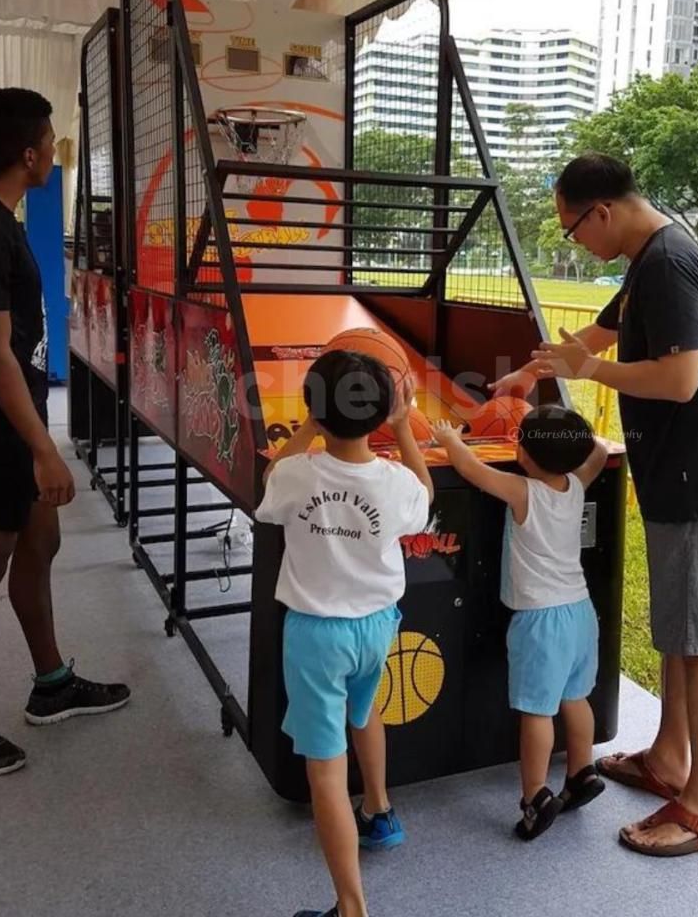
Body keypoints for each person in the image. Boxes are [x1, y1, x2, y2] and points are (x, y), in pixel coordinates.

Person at [493, 153, 698, 857]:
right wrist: (530, 374)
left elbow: (680, 379)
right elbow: (597, 332)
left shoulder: (669, 264)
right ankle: (670, 758)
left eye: (572, 228)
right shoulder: (649, 259)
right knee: (681, 629)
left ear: (602, 211)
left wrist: (589, 372)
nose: (574, 241)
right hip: (683, 478)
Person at [0, 88, 130, 777]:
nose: (55, 152)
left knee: (40, 538)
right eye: (51, 142)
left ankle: (51, 683)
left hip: (4, 410)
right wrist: (44, 446)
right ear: (28, 153)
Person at [255, 350, 434, 917]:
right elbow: (426, 496)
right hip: (378, 629)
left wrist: (307, 424)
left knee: (326, 772)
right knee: (365, 709)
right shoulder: (395, 481)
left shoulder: (295, 473)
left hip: (316, 637)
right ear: (381, 414)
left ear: (313, 408)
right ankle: (379, 810)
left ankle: (351, 908)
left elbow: (267, 480)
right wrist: (404, 429)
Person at [433, 406, 609, 841]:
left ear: (524, 454)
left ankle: (535, 796)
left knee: (537, 711)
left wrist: (450, 440)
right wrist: (586, 445)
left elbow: (471, 470)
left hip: (540, 620)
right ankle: (581, 772)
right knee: (576, 698)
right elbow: (600, 451)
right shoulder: (574, 485)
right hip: (581, 613)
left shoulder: (522, 491)